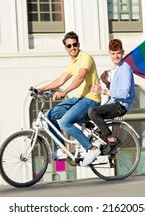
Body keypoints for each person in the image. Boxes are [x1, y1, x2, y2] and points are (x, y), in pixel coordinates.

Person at [36, 31, 102, 164]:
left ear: (79, 44)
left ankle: (92, 148)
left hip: (91, 99)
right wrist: (41, 89)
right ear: (65, 48)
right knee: (49, 116)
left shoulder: (85, 58)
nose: (72, 48)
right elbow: (60, 80)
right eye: (69, 46)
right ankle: (62, 150)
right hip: (79, 98)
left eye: (74, 44)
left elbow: (80, 77)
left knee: (65, 122)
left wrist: (64, 92)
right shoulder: (72, 63)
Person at [84, 39, 135, 166]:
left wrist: (103, 90)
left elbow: (125, 93)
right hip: (113, 102)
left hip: (121, 105)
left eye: (118, 53)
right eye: (113, 53)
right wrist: (106, 82)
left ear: (122, 52)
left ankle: (112, 140)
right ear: (109, 53)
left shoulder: (125, 69)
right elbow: (116, 89)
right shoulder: (116, 68)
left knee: (93, 112)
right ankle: (105, 145)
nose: (116, 56)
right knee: (85, 115)